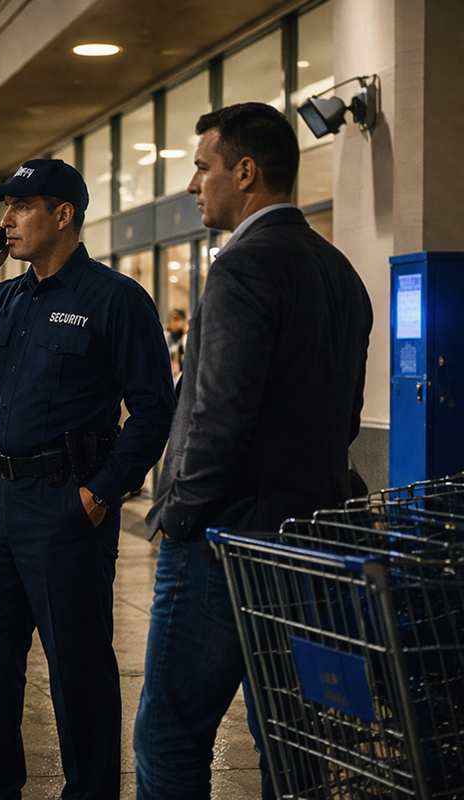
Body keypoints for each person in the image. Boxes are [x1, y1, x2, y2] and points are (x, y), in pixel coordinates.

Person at [133, 102, 372, 800]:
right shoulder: (340, 275)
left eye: (202, 167)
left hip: (226, 540)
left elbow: (217, 418)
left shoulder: (242, 269)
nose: (192, 183)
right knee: (292, 739)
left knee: (171, 730)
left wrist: (177, 515)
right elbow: (347, 416)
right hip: (315, 538)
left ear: (246, 171)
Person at [0, 158, 176, 800]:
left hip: (67, 505)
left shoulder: (114, 299)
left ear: (64, 215)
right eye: (5, 206)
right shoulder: (5, 297)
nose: (6, 220)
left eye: (21, 206)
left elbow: (153, 408)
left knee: (78, 670)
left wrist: (100, 493)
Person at [166, 309, 187, 380]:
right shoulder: (167, 339)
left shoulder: (186, 340)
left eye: (177, 319)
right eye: (172, 319)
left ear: (184, 321)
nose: (174, 323)